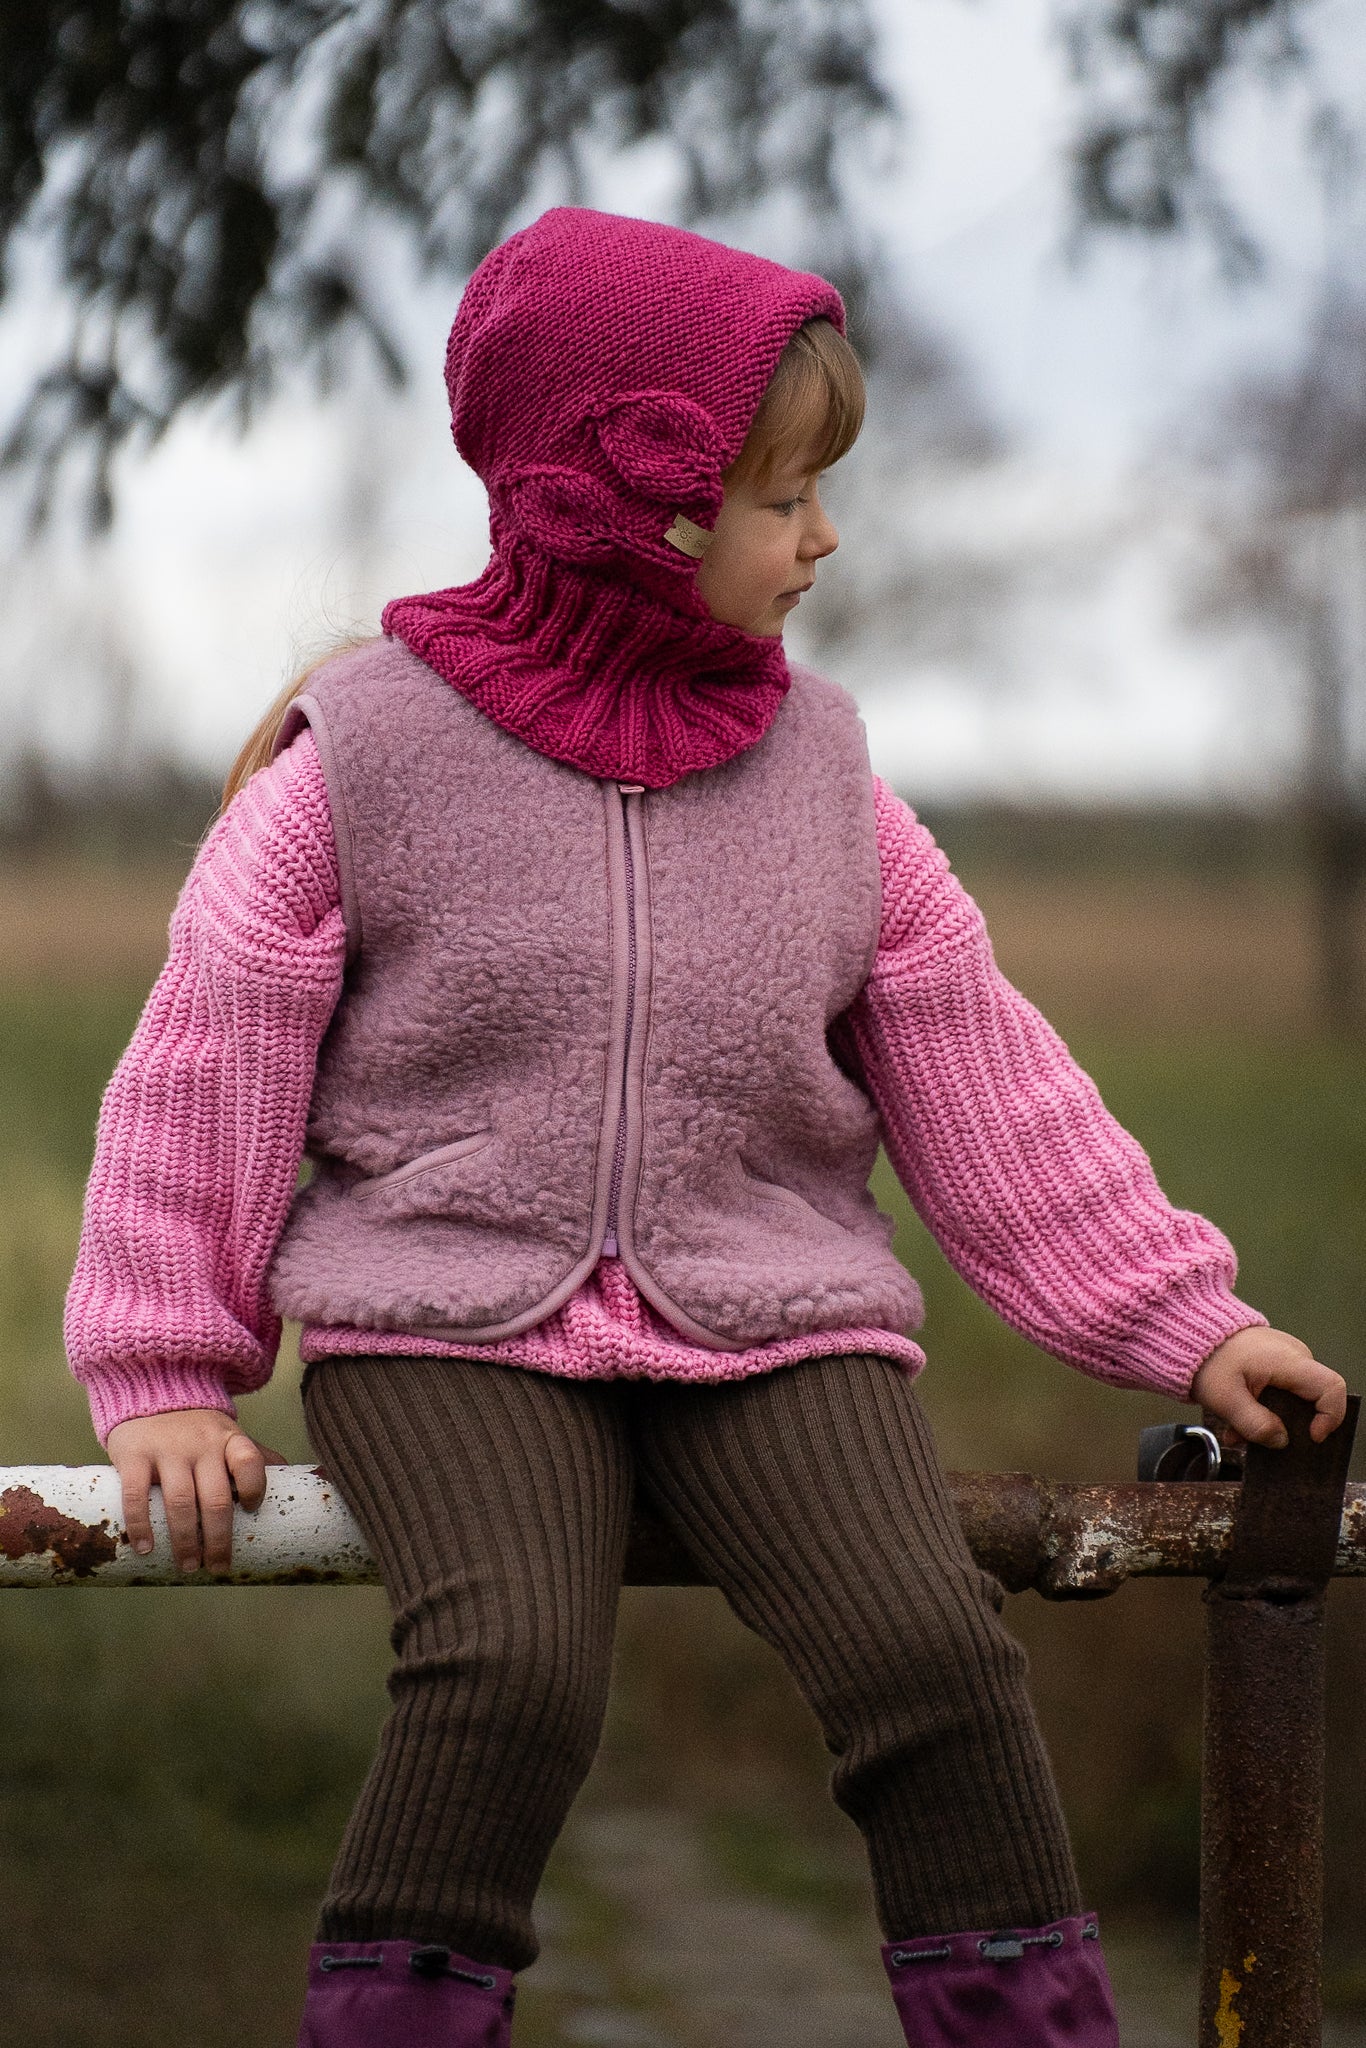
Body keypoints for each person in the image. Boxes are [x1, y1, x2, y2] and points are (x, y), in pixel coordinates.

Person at [65, 208, 1347, 2048]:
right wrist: (166, 1373)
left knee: (934, 1661)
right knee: (510, 1671)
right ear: (629, 504)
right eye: (782, 497)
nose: (822, 538)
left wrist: (1187, 1322)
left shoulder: (826, 776)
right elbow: (207, 1066)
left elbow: (985, 1077)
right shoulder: (362, 760)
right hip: (443, 1318)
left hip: (776, 1317)